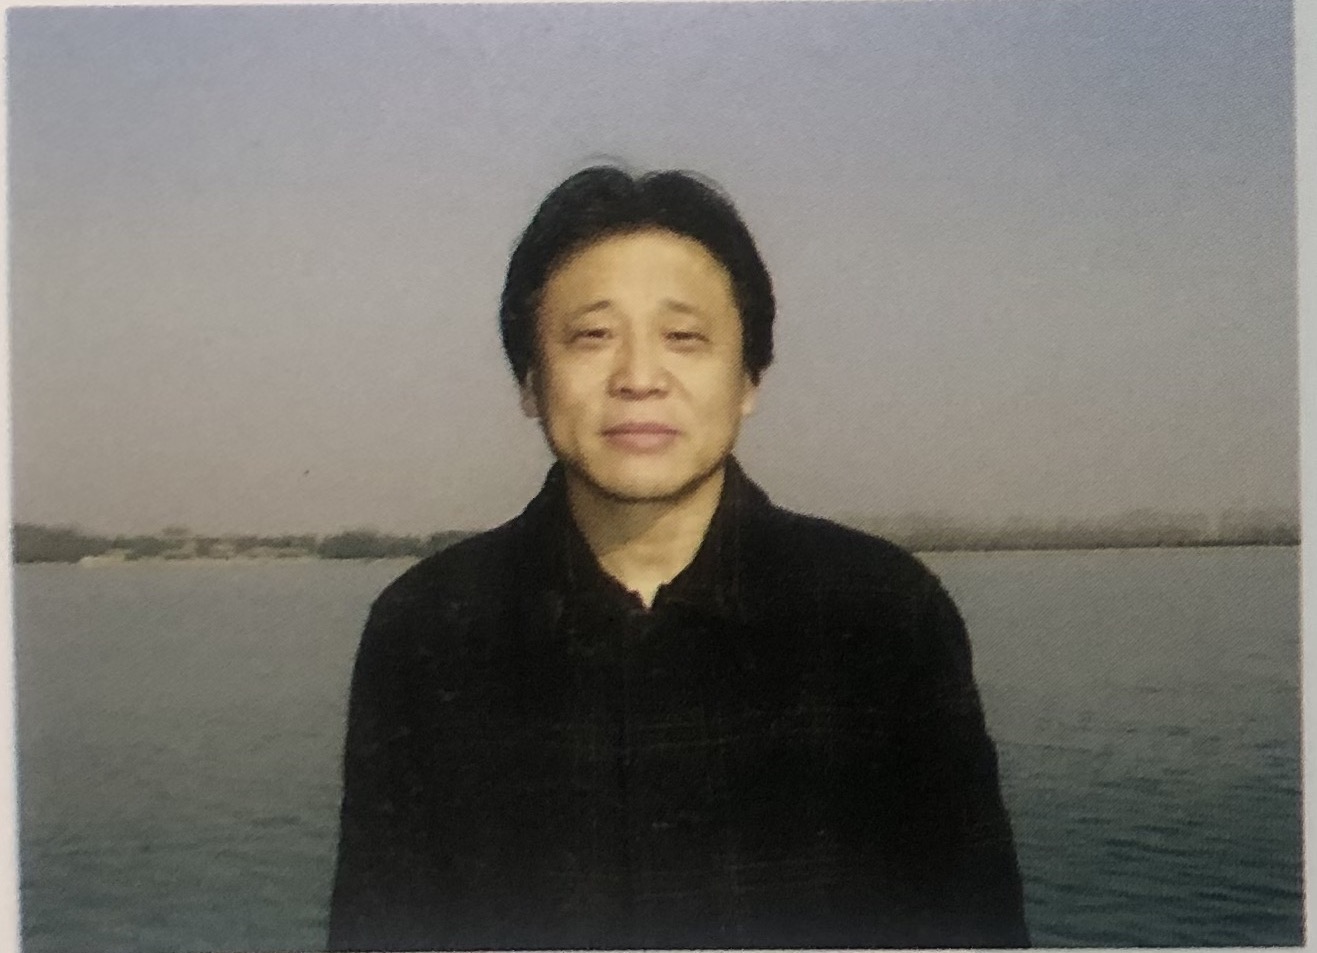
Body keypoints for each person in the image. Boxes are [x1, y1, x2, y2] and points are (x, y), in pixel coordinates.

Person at [327, 166, 1029, 950]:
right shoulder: (429, 629)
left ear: (749, 377)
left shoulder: (882, 617)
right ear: (529, 379)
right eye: (592, 336)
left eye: (683, 337)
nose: (638, 378)